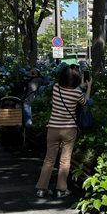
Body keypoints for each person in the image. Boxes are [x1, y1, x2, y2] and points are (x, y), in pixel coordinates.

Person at [34, 64, 92, 199]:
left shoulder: (56, 88)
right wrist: (88, 86)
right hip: (69, 129)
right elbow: (85, 102)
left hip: (53, 128)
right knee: (65, 160)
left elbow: (69, 86)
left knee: (49, 159)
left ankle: (42, 189)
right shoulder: (77, 93)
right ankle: (61, 189)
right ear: (77, 79)